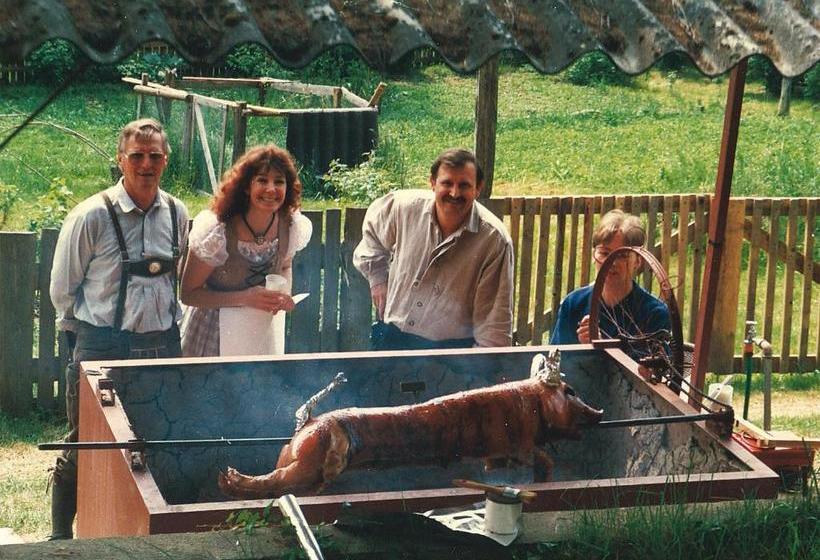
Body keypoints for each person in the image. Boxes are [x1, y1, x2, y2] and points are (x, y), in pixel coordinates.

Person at [48, 118, 190, 539]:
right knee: (84, 445)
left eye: (154, 156)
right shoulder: (91, 215)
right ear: (121, 159)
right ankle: (59, 538)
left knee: (159, 440)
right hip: (103, 346)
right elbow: (62, 291)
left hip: (163, 346)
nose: (146, 164)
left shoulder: (178, 212)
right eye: (137, 156)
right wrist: (90, 344)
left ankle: (145, 536)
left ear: (165, 160)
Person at [353, 148, 514, 350]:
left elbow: (494, 323)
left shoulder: (494, 240)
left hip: (450, 354)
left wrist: (480, 371)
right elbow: (373, 232)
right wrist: (377, 277)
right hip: (391, 339)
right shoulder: (403, 208)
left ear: (478, 188)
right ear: (432, 182)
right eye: (447, 183)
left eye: (464, 185)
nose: (455, 193)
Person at [179, 144, 312, 356]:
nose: (271, 189)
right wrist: (245, 297)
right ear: (246, 187)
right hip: (214, 331)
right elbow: (188, 294)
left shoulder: (290, 226)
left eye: (279, 182)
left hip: (258, 329)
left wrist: (283, 294)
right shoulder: (217, 231)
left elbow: (285, 265)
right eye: (262, 180)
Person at [550, 209, 671, 351]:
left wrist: (602, 347)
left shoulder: (654, 313)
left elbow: (650, 372)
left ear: (638, 261)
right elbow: (556, 361)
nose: (611, 262)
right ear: (593, 254)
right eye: (605, 253)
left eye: (622, 255)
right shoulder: (574, 304)